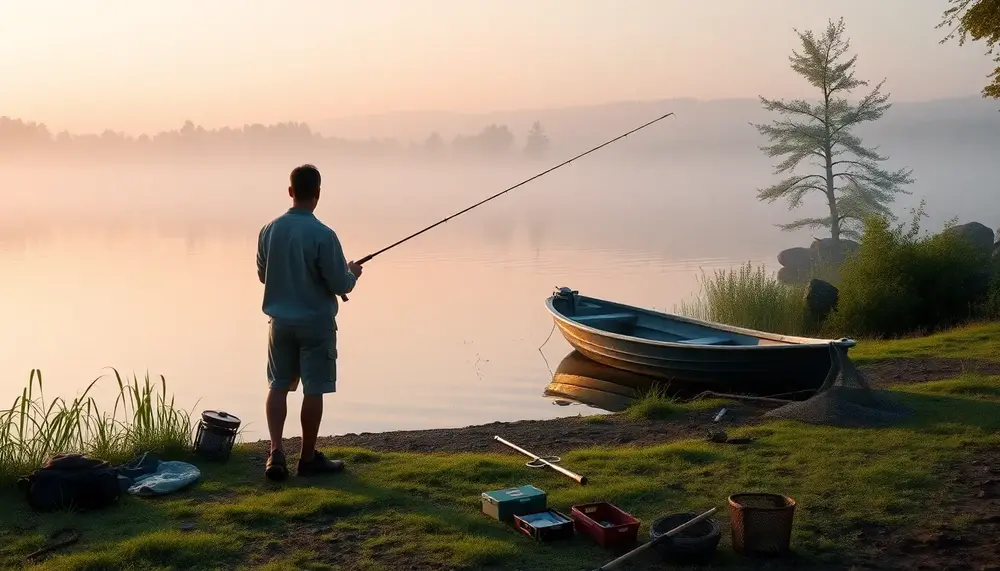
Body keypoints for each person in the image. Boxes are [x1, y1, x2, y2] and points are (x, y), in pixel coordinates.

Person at [256, 164, 363, 481]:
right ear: (317, 194)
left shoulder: (269, 231)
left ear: (290, 192)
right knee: (313, 389)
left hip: (280, 324)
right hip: (316, 325)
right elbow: (339, 284)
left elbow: (264, 275)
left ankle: (275, 453)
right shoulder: (324, 235)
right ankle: (307, 457)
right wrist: (352, 273)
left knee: (277, 385)